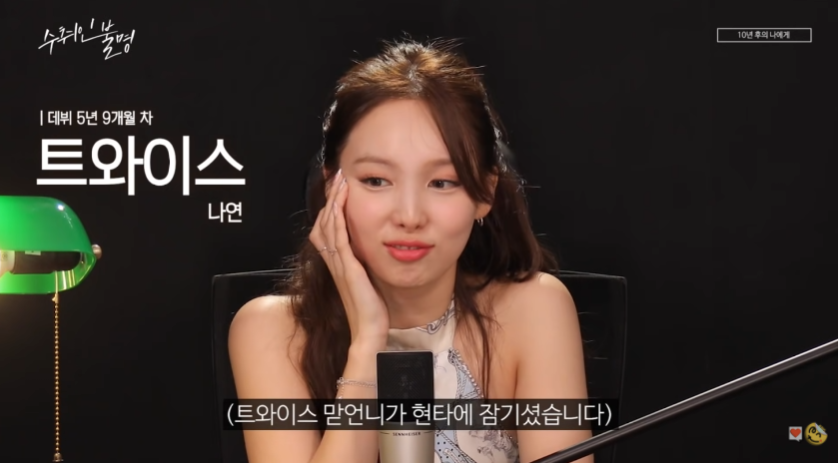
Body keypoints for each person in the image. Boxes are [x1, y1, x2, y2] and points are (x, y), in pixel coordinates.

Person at [228, 38, 592, 463]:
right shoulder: (271, 332)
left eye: (442, 182)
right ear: (332, 186)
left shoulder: (533, 309)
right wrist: (368, 343)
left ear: (484, 194)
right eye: (376, 181)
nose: (409, 215)